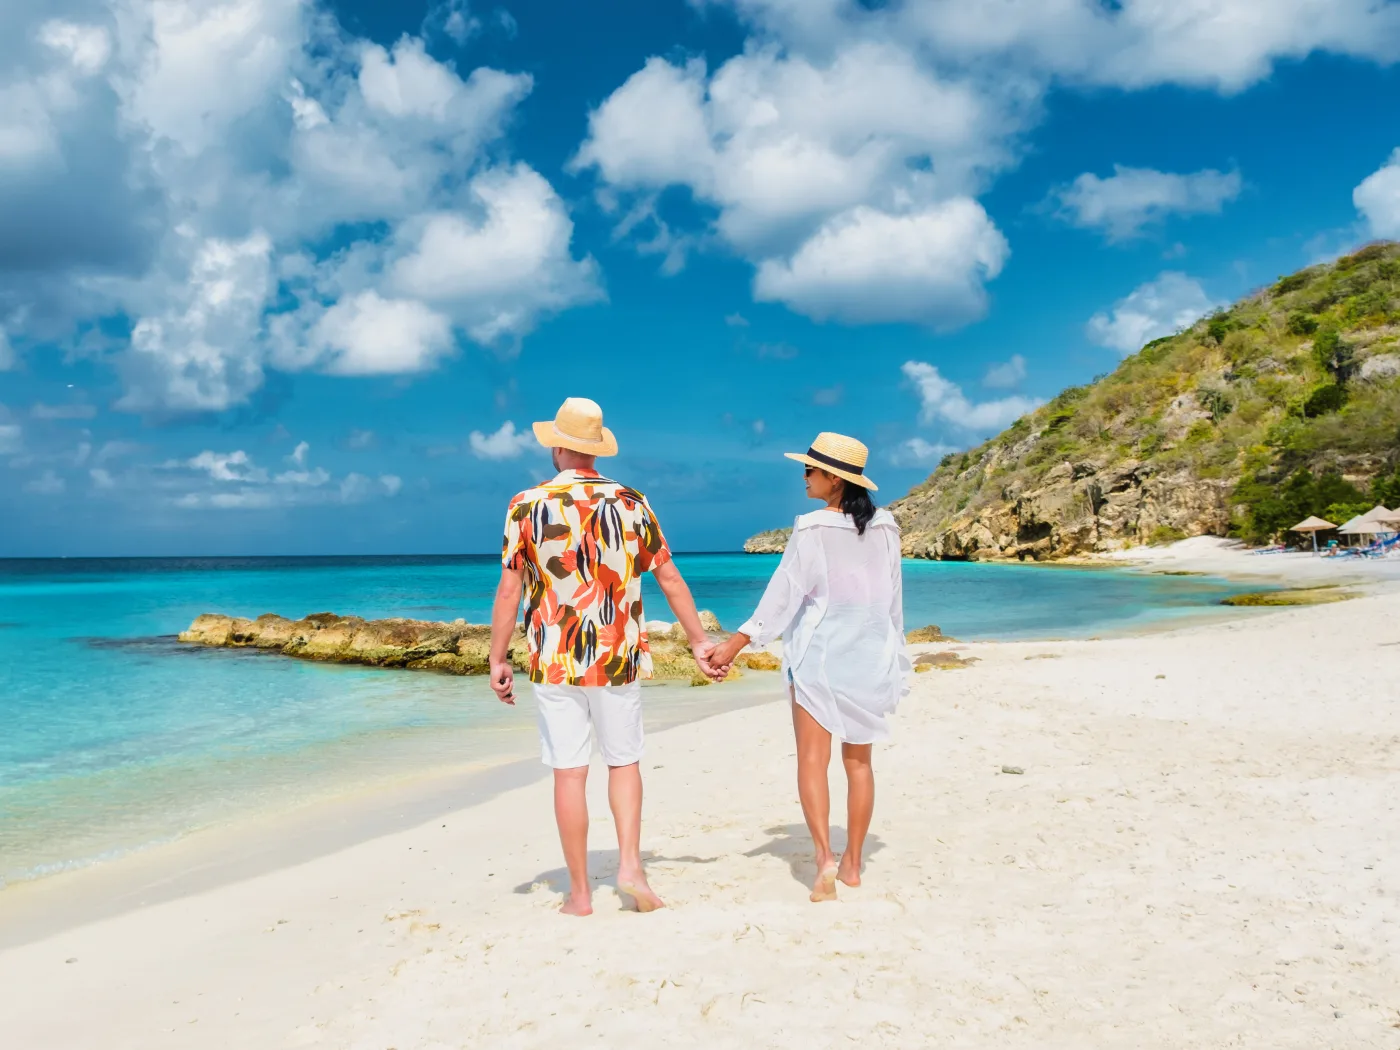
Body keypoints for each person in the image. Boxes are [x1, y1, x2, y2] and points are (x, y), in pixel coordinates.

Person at [488, 396, 724, 917]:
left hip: (554, 658)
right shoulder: (631, 501)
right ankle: (631, 868)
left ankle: (579, 894)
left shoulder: (526, 505)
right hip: (617, 655)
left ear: (557, 446)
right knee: (623, 762)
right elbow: (668, 577)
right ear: (595, 448)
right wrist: (698, 641)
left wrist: (497, 658)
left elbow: (509, 589)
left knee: (569, 773)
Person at [710, 432, 909, 902]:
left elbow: (785, 593)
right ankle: (853, 864)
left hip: (819, 657)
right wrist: (894, 655)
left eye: (809, 470)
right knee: (859, 764)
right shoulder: (887, 527)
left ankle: (824, 860)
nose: (803, 477)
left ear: (833, 479)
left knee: (812, 762)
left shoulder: (813, 527)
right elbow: (892, 601)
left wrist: (736, 643)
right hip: (868, 656)